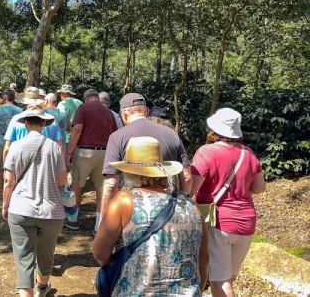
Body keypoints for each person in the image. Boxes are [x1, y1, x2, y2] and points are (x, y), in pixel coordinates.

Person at [92, 136, 209, 296]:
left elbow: (100, 252)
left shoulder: (125, 200)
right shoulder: (191, 207)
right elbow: (203, 260)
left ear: (128, 171)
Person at [190, 108, 266, 297]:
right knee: (228, 279)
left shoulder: (206, 152)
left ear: (214, 129)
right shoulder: (248, 153)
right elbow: (259, 187)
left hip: (219, 223)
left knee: (220, 283)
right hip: (247, 223)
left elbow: (192, 189)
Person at [3, 106, 67, 297]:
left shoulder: (15, 146)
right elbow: (62, 181)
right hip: (51, 211)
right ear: (43, 123)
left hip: (21, 210)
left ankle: (26, 293)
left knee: (23, 258)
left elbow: (8, 181)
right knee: (46, 253)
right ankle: (42, 287)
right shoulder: (55, 147)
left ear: (25, 123)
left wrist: (5, 206)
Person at [102, 93, 192, 216]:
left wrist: (104, 217)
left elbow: (111, 184)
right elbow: (187, 177)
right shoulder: (171, 134)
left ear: (124, 114)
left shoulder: (117, 137)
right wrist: (185, 203)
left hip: (131, 210)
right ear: (147, 112)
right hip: (168, 209)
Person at [65, 89, 118, 234]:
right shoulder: (108, 112)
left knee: (77, 185)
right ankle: (98, 225)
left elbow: (76, 131)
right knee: (101, 190)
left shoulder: (83, 108)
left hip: (85, 153)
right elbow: (114, 134)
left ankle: (73, 220)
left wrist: (69, 152)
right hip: (105, 154)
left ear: (86, 98)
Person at [4, 89, 64, 164]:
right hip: (46, 164)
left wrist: (6, 170)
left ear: (24, 103)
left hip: (21, 164)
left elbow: (7, 147)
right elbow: (59, 146)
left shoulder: (16, 119)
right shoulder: (51, 119)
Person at [0, 90, 23, 191]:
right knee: (15, 166)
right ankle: (14, 187)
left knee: (1, 166)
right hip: (17, 142)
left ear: (4, 98)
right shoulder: (20, 110)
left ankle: (0, 186)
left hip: (2, 141)